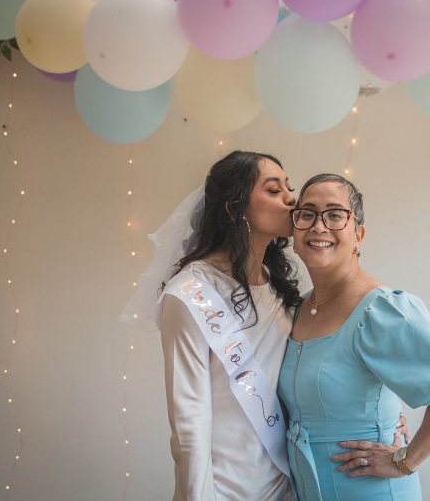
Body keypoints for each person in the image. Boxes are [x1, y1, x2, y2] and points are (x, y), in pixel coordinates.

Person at [277, 173, 430, 501]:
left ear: (358, 235)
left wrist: (406, 460)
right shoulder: (297, 309)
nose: (319, 226)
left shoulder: (382, 309)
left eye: (334, 214)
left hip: (370, 491)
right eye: (307, 214)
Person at [122, 150, 301, 500]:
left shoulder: (280, 286)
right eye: (274, 189)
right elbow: (189, 421)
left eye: (289, 188)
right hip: (225, 487)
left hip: (285, 481)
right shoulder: (189, 294)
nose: (291, 198)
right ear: (234, 208)